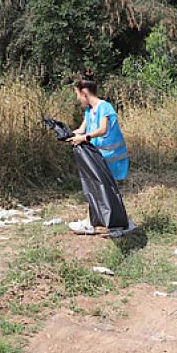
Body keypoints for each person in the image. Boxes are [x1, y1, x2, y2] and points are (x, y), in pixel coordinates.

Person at [67, 74, 132, 235]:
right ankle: (93, 222)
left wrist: (84, 138)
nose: (77, 99)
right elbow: (81, 130)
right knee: (96, 187)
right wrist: (69, 135)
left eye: (77, 94)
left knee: (107, 189)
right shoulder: (90, 111)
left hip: (112, 157)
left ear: (84, 92)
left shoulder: (104, 107)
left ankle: (121, 224)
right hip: (99, 157)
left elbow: (102, 129)